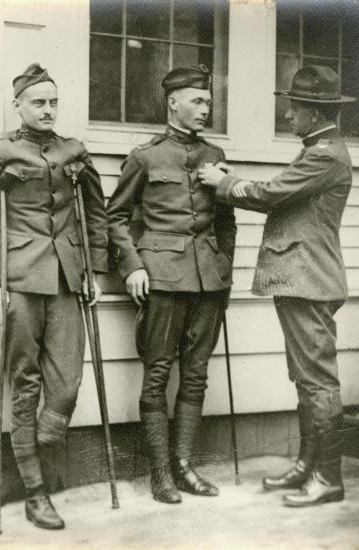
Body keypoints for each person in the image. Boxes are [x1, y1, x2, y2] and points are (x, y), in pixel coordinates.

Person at [0, 63, 108, 528]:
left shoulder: (74, 151)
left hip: (66, 280)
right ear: (19, 105)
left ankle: (45, 436)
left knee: (65, 384)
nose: (47, 110)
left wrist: (94, 271)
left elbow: (96, 214)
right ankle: (36, 492)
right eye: (38, 102)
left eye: (53, 102)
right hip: (16, 282)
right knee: (24, 384)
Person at [199, 65, 356, 507]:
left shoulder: (323, 154)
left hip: (309, 281)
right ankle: (308, 467)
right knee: (305, 379)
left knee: (317, 383)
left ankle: (328, 477)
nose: (287, 117)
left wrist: (222, 183)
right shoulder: (319, 149)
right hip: (302, 279)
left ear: (312, 112)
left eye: (292, 109)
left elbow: (270, 194)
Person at [107, 65, 236, 504]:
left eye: (208, 101)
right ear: (172, 103)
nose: (206, 108)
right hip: (161, 279)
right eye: (197, 101)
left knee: (196, 375)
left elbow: (225, 222)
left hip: (208, 283)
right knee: (158, 374)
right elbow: (116, 217)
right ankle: (160, 473)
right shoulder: (145, 156)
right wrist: (132, 267)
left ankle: (184, 467)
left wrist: (225, 272)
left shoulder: (213, 154)